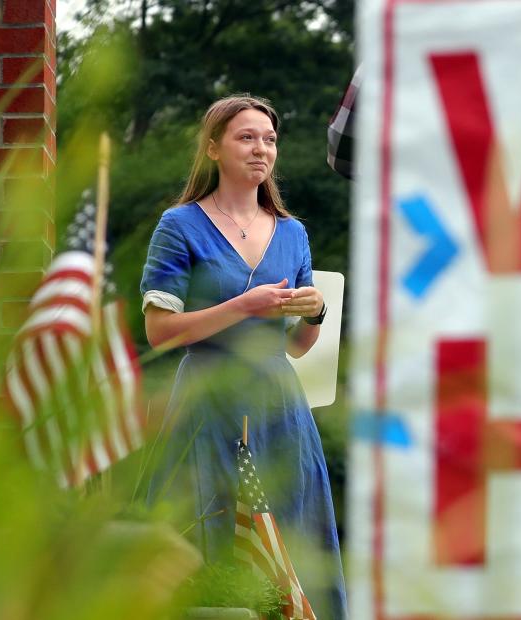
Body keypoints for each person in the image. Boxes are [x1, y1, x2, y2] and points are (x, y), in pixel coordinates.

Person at [140, 94, 347, 619]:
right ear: (213, 147)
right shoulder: (179, 225)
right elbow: (160, 332)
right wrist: (242, 306)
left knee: (291, 535)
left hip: (279, 405)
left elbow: (297, 345)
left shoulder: (294, 232)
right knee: (202, 533)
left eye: (270, 140)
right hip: (205, 402)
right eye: (246, 137)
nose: (261, 149)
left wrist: (315, 312)